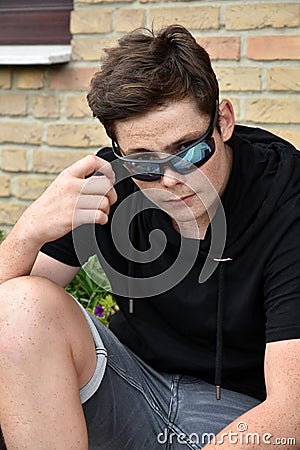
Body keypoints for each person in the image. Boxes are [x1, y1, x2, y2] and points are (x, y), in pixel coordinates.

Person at [0, 24, 299, 450]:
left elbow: (291, 412)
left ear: (224, 121)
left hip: (243, 418)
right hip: (136, 393)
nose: (172, 180)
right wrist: (26, 233)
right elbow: (14, 326)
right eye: (144, 163)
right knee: (18, 304)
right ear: (120, 153)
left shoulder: (288, 200)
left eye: (190, 151)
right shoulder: (107, 185)